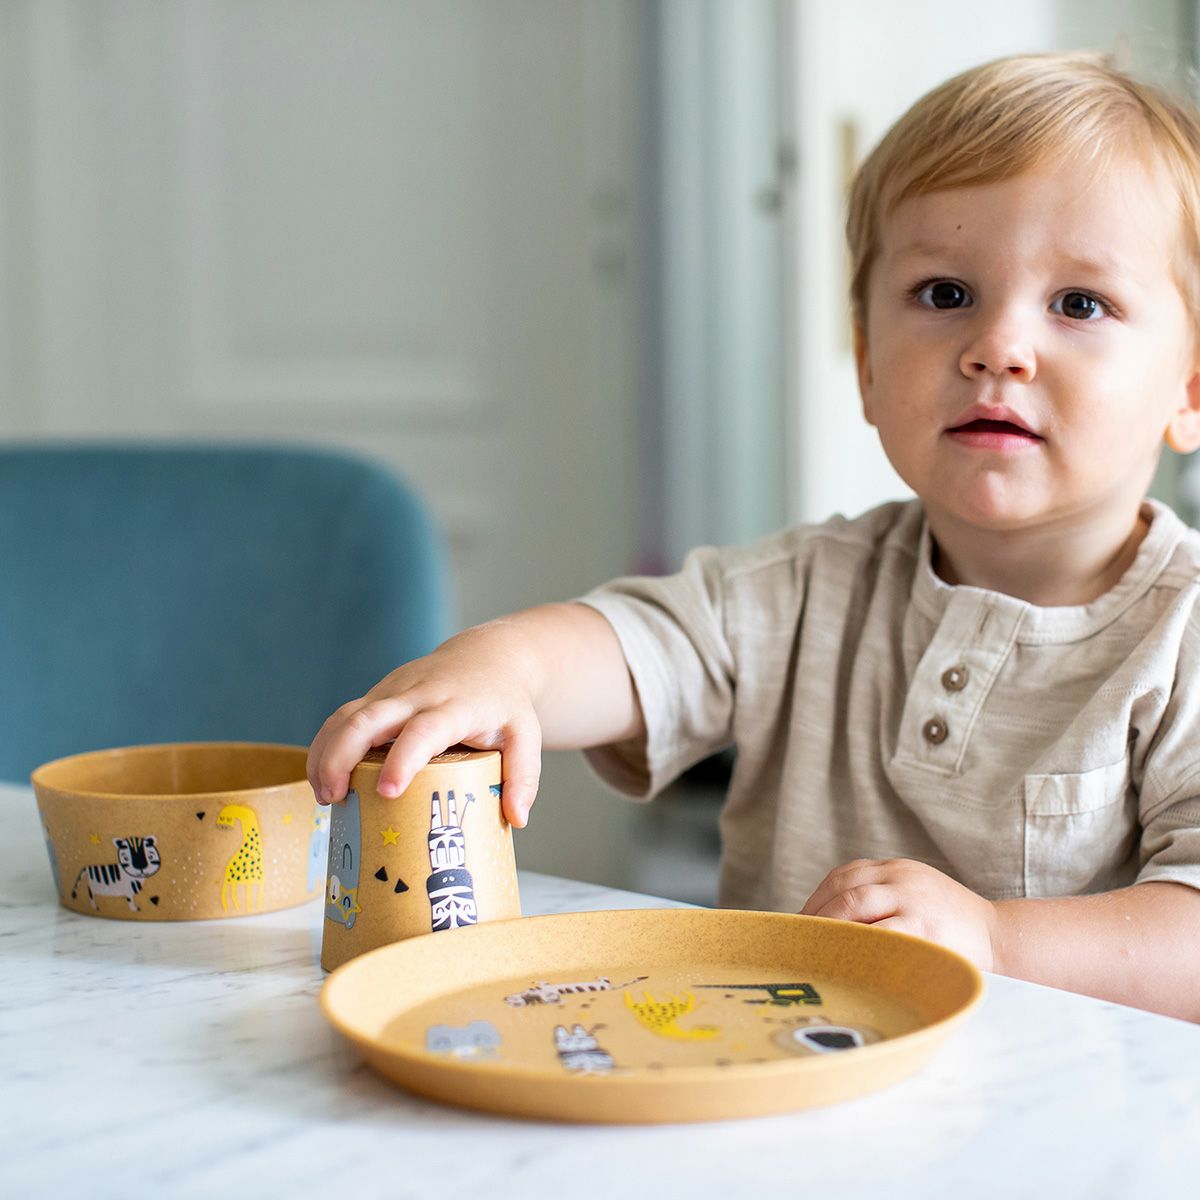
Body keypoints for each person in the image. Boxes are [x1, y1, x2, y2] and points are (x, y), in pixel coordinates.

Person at [309, 52, 1200, 1021]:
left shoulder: (1183, 635)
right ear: (867, 363)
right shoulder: (805, 586)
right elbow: (634, 646)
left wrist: (996, 939)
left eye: (1079, 304)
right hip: (772, 1081)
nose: (999, 348)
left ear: (1191, 388)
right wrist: (501, 669)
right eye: (946, 294)